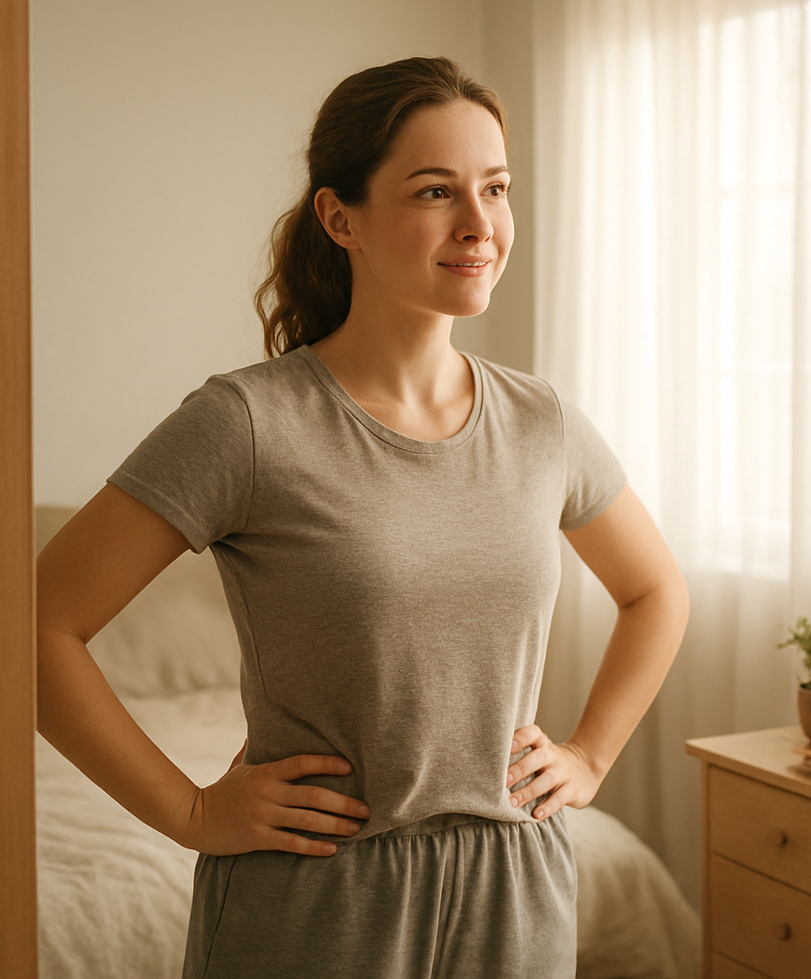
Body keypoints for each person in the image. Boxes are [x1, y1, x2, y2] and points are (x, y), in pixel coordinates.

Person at [35, 56, 689, 979]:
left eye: (495, 189)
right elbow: (32, 625)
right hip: (316, 898)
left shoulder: (542, 422)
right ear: (341, 217)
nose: (479, 225)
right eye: (435, 191)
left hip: (517, 888)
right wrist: (190, 812)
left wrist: (588, 754)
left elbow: (657, 591)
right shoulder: (249, 424)